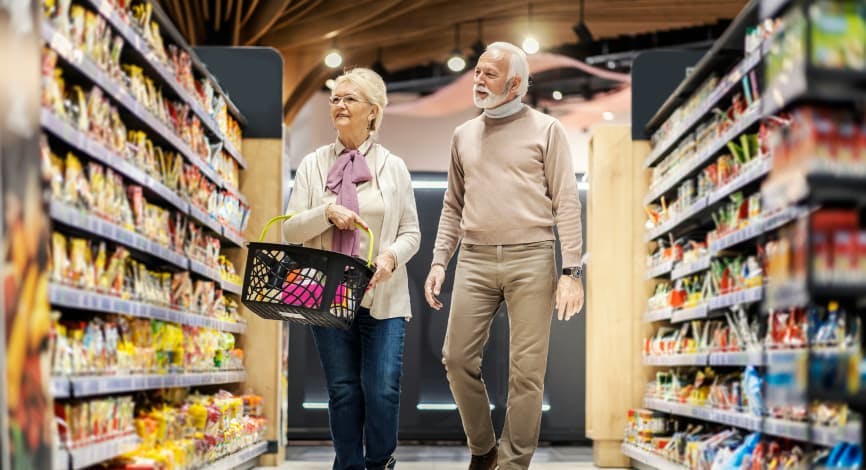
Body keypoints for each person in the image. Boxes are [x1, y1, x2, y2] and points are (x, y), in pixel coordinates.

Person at [424, 42, 585, 470]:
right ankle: (484, 449)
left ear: (515, 84)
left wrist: (571, 270)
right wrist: (440, 260)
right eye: (477, 72)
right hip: (474, 258)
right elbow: (452, 206)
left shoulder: (547, 130)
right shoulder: (463, 135)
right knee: (456, 360)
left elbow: (566, 202)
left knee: (526, 374)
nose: (478, 80)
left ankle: (513, 465)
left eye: (489, 74)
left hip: (532, 256)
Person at [283, 67, 421, 470]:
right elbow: (291, 228)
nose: (339, 106)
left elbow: (411, 232)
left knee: (381, 390)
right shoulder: (313, 164)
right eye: (335, 99)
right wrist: (326, 212)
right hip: (327, 295)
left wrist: (391, 257)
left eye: (350, 99)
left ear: (373, 111)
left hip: (383, 294)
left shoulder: (393, 167)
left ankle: (379, 463)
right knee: (343, 390)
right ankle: (347, 465)